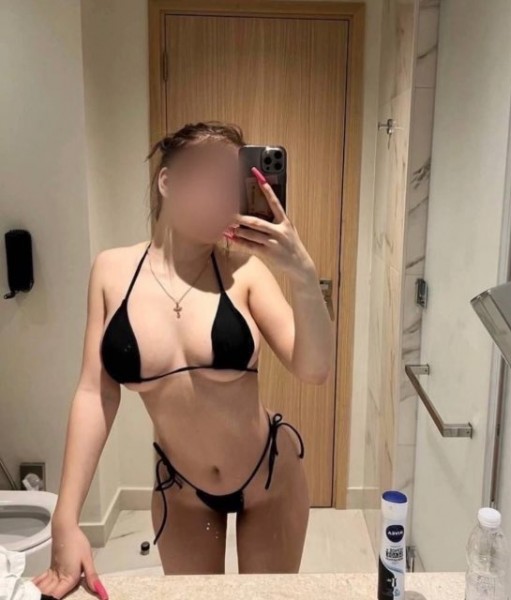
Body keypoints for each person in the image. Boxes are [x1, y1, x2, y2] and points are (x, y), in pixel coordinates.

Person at [33, 122, 333, 599]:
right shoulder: (112, 272)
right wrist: (66, 520)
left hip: (269, 479)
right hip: (183, 492)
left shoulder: (245, 271)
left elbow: (314, 369)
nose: (223, 199)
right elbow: (95, 394)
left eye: (231, 186)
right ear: (167, 182)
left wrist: (303, 275)